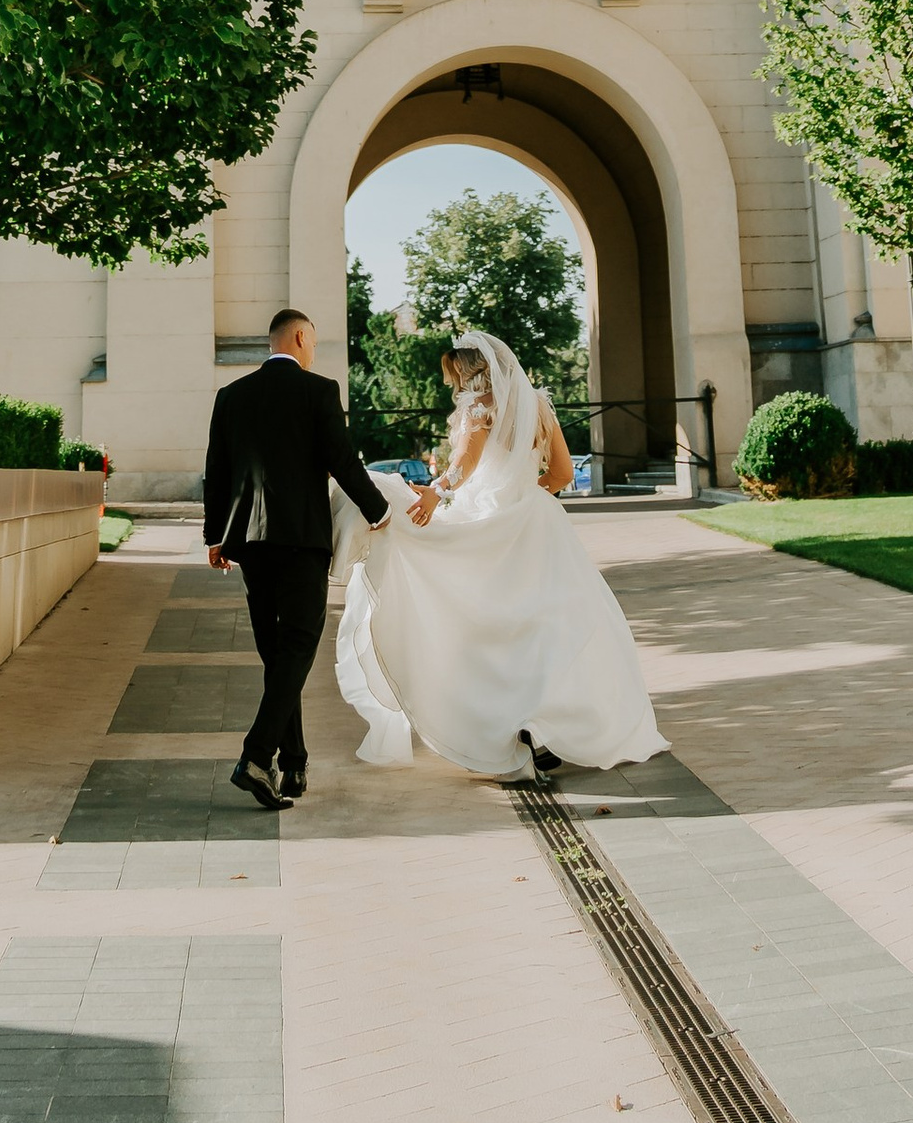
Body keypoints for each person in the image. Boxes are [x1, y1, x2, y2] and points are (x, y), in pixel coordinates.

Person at [331, 326, 666, 779]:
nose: (456, 385)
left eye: (457, 375)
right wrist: (527, 496)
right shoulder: (538, 407)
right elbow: (563, 474)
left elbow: (463, 467)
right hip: (538, 523)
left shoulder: (477, 408)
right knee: (541, 625)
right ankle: (541, 725)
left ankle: (510, 725)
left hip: (488, 518)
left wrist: (436, 493)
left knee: (483, 625)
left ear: (473, 373)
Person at [202, 303, 393, 810]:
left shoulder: (232, 396)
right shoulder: (319, 391)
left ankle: (295, 763)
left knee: (277, 654)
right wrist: (378, 510)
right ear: (303, 339)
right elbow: (342, 460)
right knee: (299, 646)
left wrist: (215, 537)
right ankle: (256, 756)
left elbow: (216, 472)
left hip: (250, 545)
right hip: (302, 540)